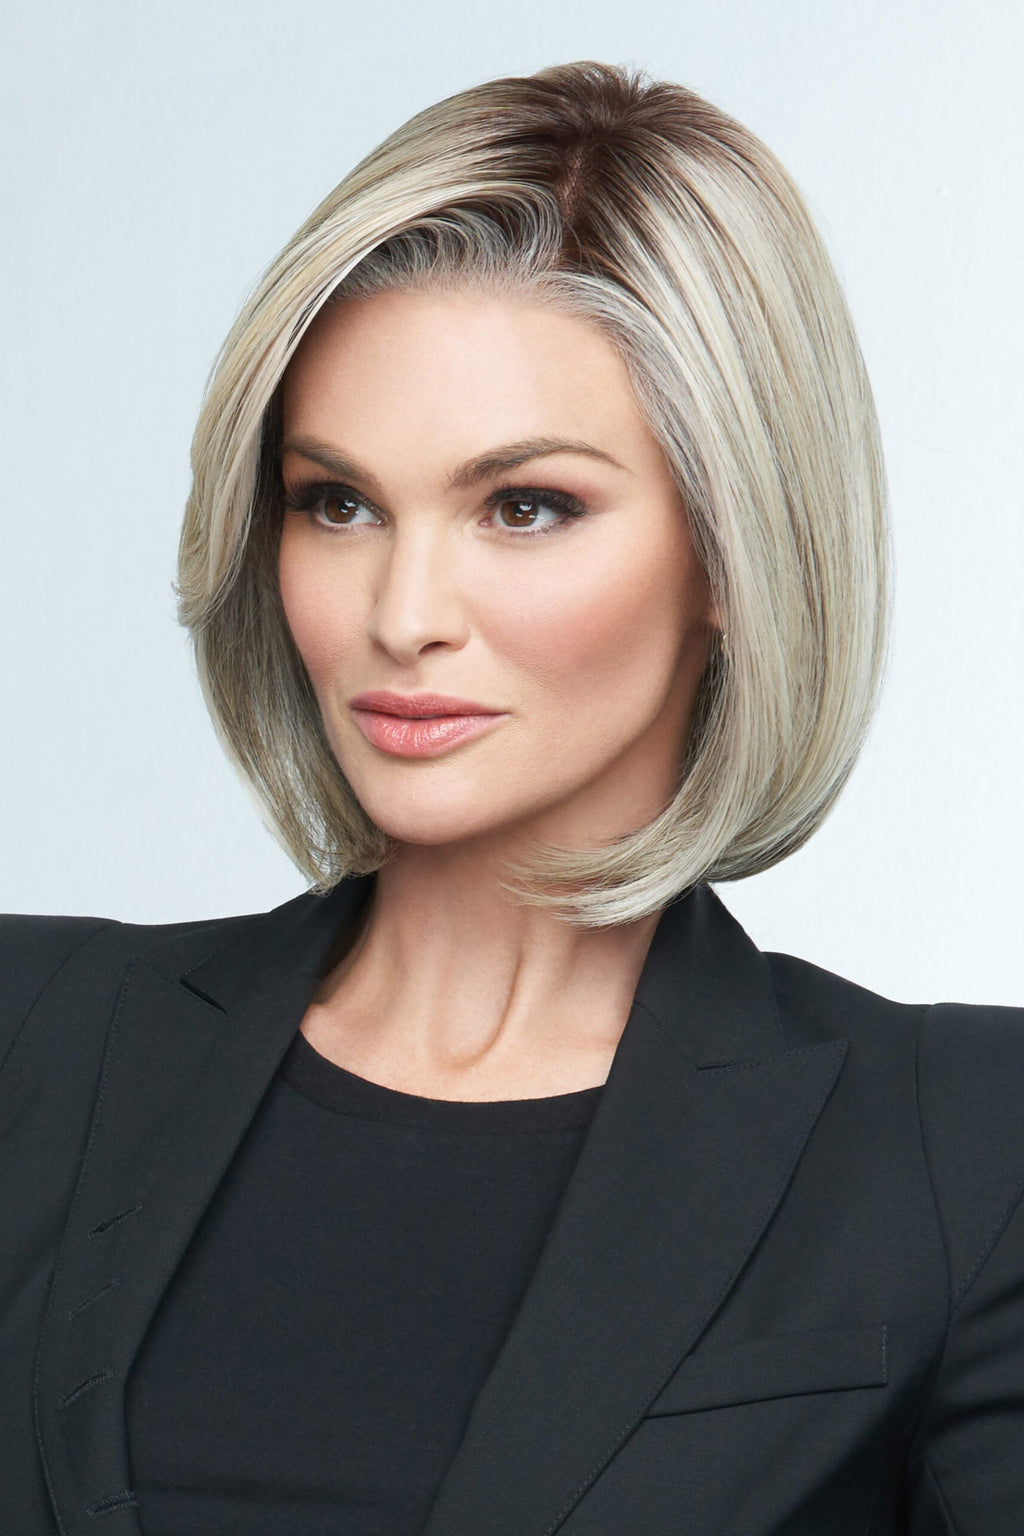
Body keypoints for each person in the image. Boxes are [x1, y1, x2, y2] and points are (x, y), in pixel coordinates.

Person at [2, 58, 1022, 1536]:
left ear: (733, 552)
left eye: (525, 507)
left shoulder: (963, 1150)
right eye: (337, 502)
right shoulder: (33, 1038)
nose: (402, 612)